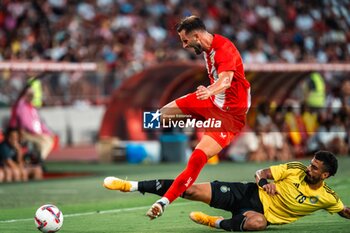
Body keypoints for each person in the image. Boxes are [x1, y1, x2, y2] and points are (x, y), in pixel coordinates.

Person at [106, 15, 251, 219]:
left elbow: (226, 81)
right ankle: (187, 128)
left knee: (198, 158)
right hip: (211, 100)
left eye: (185, 41)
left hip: (230, 115)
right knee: (156, 118)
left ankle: (163, 201)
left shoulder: (224, 49)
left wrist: (210, 91)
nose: (184, 46)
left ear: (197, 36)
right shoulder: (206, 47)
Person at [104, 151, 350, 231]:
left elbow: (344, 211)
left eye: (315, 168)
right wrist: (265, 183)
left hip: (258, 214)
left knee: (258, 224)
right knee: (188, 190)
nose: (309, 168)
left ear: (325, 175)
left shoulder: (328, 198)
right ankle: (131, 186)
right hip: (246, 193)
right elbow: (260, 173)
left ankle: (216, 222)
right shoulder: (295, 168)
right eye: (311, 164)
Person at [10, 86, 54, 161]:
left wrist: (47, 132)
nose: (31, 97)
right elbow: (25, 123)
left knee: (48, 139)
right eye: (29, 94)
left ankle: (39, 158)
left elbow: (39, 122)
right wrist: (38, 133)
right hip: (26, 133)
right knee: (45, 141)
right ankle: (39, 160)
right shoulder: (21, 107)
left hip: (35, 134)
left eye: (32, 94)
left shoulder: (32, 108)